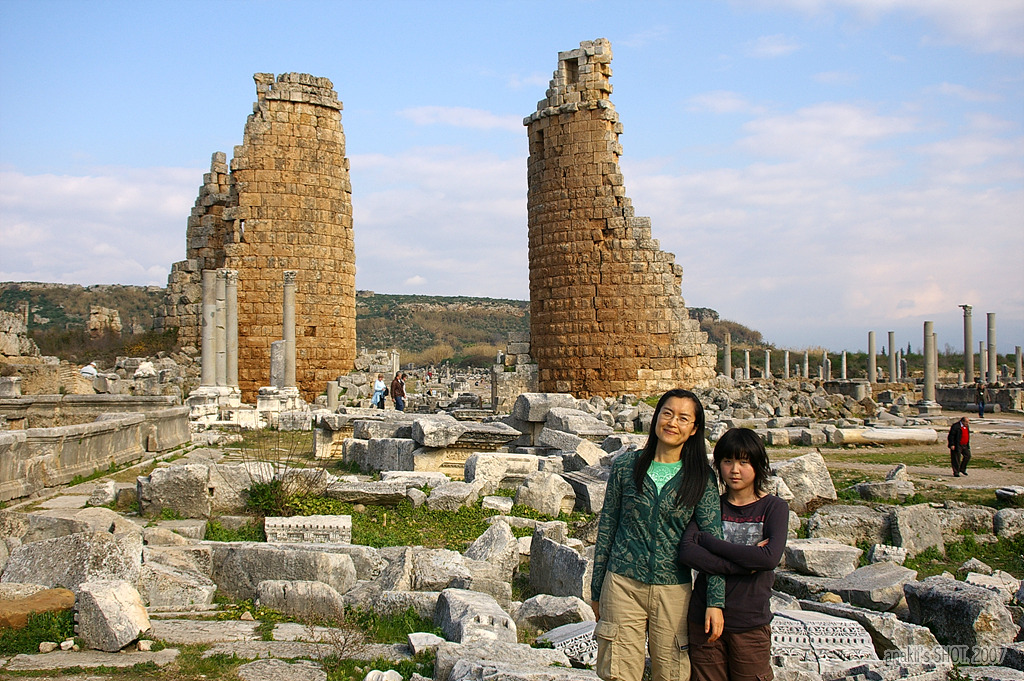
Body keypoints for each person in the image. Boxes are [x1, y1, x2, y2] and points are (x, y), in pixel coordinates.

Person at [592, 388, 725, 681]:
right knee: (617, 672)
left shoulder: (701, 477)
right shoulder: (627, 466)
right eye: (667, 413)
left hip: (673, 590)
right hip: (622, 584)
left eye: (683, 418)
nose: (672, 423)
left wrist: (715, 602)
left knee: (672, 672)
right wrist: (596, 589)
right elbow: (608, 528)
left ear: (694, 429)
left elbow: (713, 541)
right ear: (656, 418)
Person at [678, 427, 788, 681]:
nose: (735, 470)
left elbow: (768, 558)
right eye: (727, 461)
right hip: (704, 618)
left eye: (743, 462)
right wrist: (745, 562)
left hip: (750, 622)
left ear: (758, 465)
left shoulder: (774, 507)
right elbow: (688, 552)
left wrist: (709, 542)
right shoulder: (710, 506)